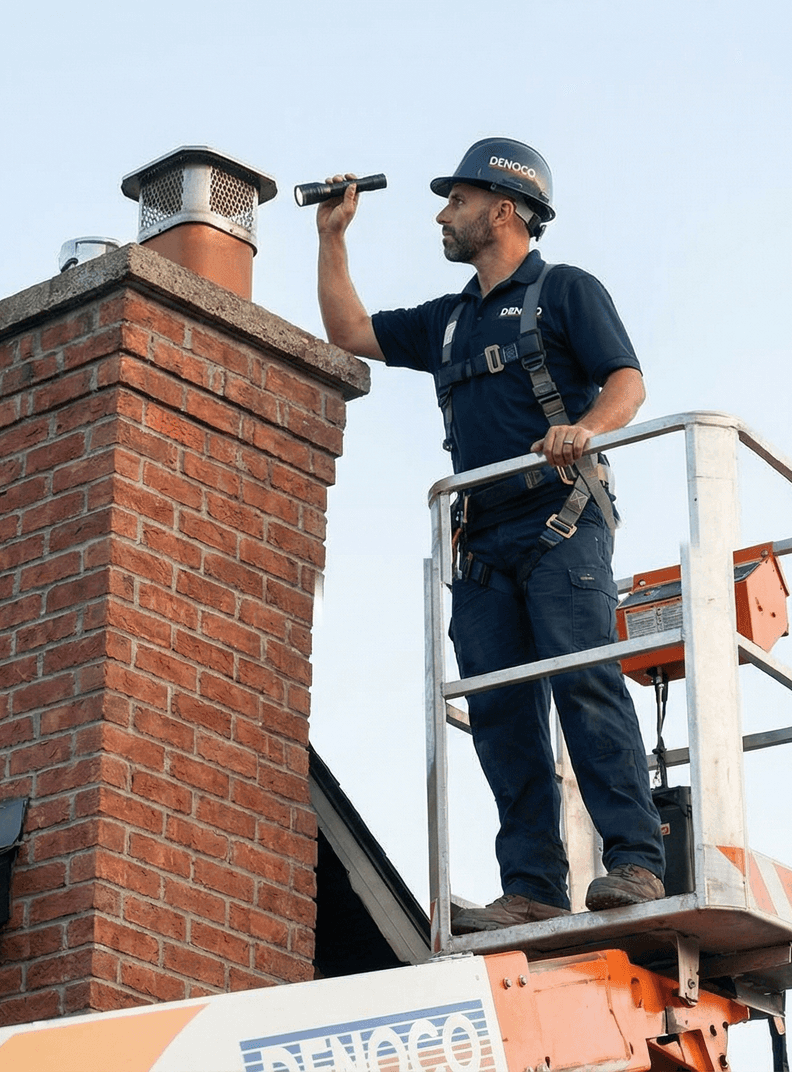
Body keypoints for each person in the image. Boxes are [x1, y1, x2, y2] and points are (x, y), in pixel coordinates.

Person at [314, 138, 665, 933]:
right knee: (502, 710)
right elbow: (350, 333)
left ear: (504, 209)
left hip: (558, 524)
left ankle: (636, 863)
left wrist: (584, 429)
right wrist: (333, 237)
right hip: (480, 545)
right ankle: (533, 884)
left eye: (458, 201)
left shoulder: (565, 291)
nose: (444, 215)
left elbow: (628, 381)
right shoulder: (448, 321)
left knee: (584, 683)